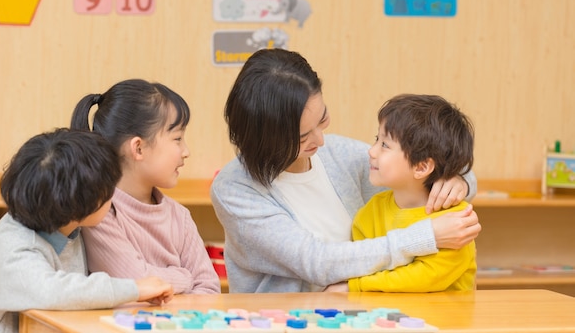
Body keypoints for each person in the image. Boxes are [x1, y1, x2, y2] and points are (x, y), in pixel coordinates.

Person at [210, 48, 481, 293]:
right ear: (265, 138)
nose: (321, 141)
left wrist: (459, 180)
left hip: (360, 314)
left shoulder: (337, 154)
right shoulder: (235, 188)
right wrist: (425, 237)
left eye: (323, 119)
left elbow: (420, 164)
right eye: (303, 137)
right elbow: (316, 262)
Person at [0, 129, 173, 333]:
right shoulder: (15, 247)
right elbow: (53, 291)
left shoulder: (62, 221)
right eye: (108, 191)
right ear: (80, 206)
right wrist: (134, 289)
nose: (113, 195)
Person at [70, 78, 220, 294]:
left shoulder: (180, 216)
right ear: (138, 148)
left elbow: (209, 288)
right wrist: (185, 278)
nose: (186, 151)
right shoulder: (99, 214)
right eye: (177, 139)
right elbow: (136, 280)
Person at [345, 94, 477, 292]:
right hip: (384, 318)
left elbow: (423, 278)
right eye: (376, 140)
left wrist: (355, 286)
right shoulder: (372, 211)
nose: (371, 152)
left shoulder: (457, 220)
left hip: (448, 322)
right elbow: (361, 262)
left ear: (422, 167)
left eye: (385, 145)